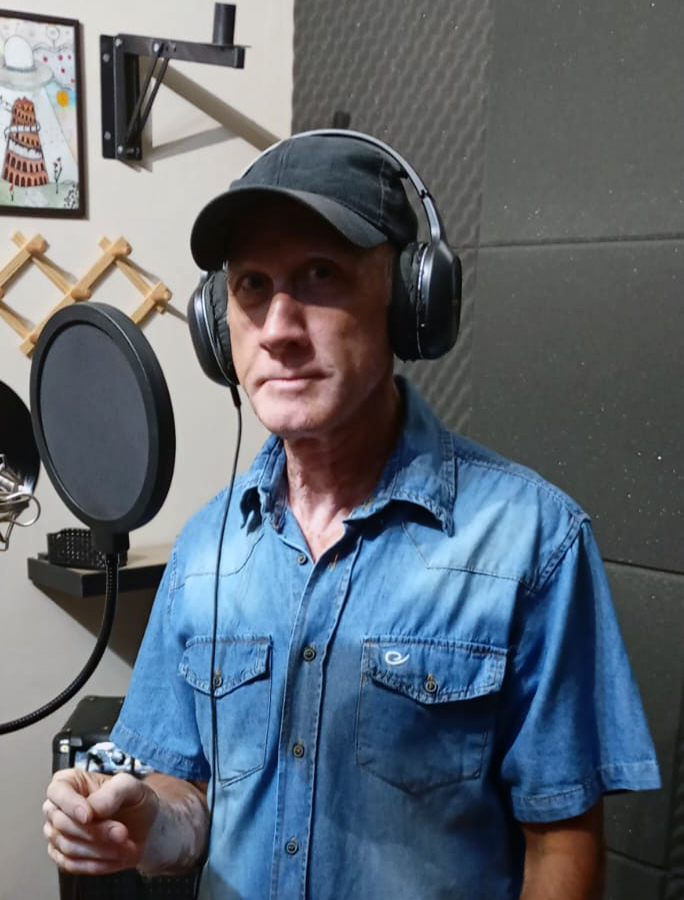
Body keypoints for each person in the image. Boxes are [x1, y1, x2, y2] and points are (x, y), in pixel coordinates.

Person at [42, 131, 660, 899]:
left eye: (321, 275)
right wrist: (144, 825)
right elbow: (189, 794)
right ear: (217, 326)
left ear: (408, 300)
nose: (278, 327)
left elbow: (561, 839)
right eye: (252, 285)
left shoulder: (533, 541)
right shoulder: (206, 549)